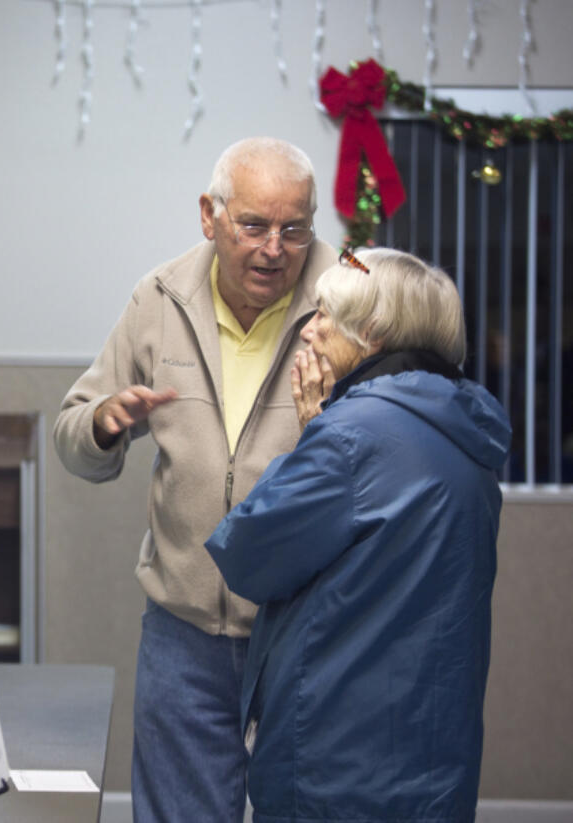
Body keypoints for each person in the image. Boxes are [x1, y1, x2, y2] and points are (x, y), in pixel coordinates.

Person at [53, 136, 338, 821]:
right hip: (183, 631)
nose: (275, 248)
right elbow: (70, 430)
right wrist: (105, 422)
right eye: (254, 225)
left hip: (305, 628)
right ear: (210, 215)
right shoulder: (159, 298)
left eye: (294, 228)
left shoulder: (349, 295)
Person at [205, 248, 510, 822]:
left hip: (337, 761)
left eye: (324, 314)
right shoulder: (469, 434)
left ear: (370, 334)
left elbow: (247, 555)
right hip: (431, 751)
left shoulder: (349, 436)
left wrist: (311, 435)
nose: (311, 330)